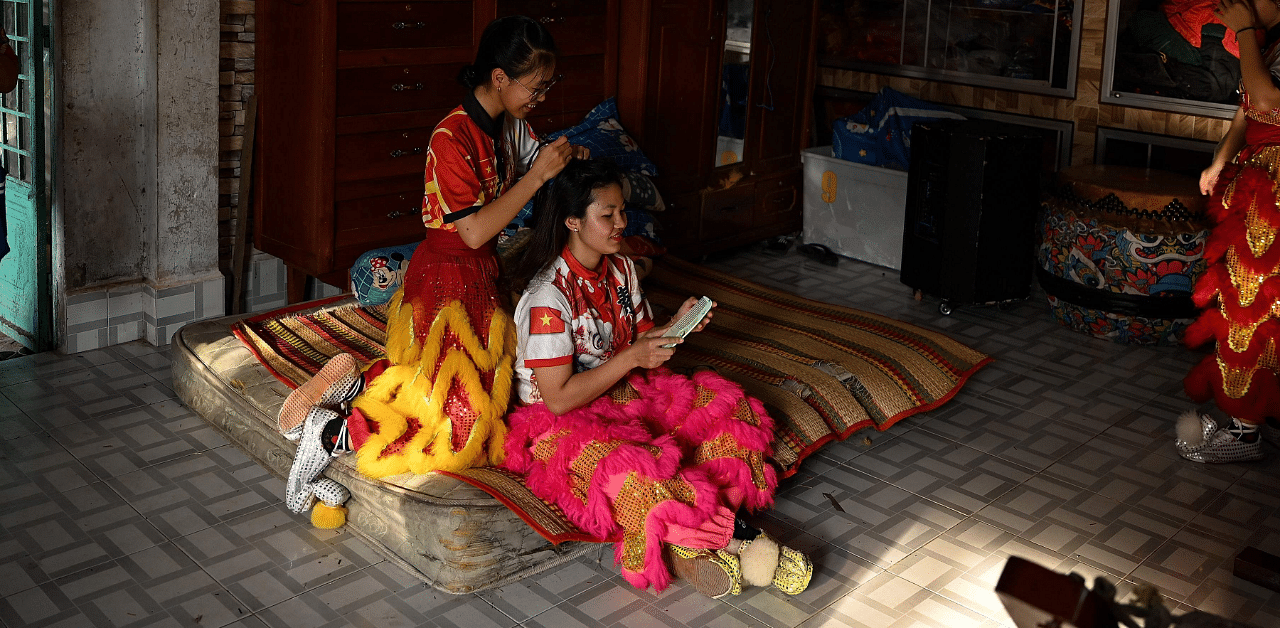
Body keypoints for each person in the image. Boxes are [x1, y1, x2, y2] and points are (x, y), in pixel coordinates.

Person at [275, 15, 586, 528]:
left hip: (483, 279)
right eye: (536, 86)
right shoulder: (452, 137)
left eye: (549, 85)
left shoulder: (513, 128)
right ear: (500, 78)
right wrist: (537, 177)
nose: (542, 97)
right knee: (460, 429)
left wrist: (573, 157)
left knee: (488, 399)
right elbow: (472, 232)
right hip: (448, 282)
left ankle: (354, 386)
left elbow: (542, 165)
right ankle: (330, 433)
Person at [500, 159, 812, 598]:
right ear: (572, 221)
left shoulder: (622, 269)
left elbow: (643, 342)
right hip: (561, 421)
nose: (620, 223)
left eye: (622, 211)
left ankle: (692, 543)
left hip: (624, 391)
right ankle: (741, 540)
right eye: (606, 215)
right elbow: (559, 399)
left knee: (730, 413)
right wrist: (631, 358)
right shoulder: (546, 298)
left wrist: (675, 326)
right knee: (635, 473)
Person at [1177, 0, 1280, 462]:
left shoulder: (1257, 39)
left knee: (1256, 302)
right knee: (1245, 297)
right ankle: (1248, 418)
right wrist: (1220, 160)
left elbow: (1267, 102)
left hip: (1274, 189)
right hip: (1258, 180)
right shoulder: (1269, 44)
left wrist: (1241, 33)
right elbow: (1247, 110)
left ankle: (1246, 429)